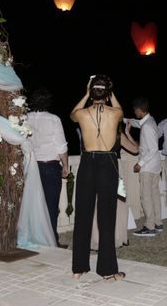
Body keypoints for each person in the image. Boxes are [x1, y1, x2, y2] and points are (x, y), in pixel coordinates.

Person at [70, 75, 125, 281]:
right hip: (108, 164)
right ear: (107, 93)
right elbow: (121, 111)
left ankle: (79, 267)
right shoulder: (115, 112)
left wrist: (86, 93)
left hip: (87, 163)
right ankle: (107, 269)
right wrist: (111, 92)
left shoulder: (82, 114)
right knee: (106, 218)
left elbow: (72, 114)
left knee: (82, 215)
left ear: (92, 92)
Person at [26, 88, 69, 247]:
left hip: (32, 167)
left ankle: (35, 238)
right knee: (51, 205)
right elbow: (61, 146)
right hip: (50, 167)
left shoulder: (26, 118)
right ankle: (51, 241)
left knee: (34, 205)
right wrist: (65, 165)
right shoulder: (53, 119)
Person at [125, 97, 162, 237]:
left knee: (146, 197)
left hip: (147, 167)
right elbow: (137, 123)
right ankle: (158, 223)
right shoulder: (150, 122)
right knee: (154, 195)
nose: (134, 112)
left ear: (140, 110)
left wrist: (139, 164)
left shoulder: (147, 126)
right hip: (155, 166)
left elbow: (153, 149)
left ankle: (149, 226)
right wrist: (125, 122)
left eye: (135, 110)